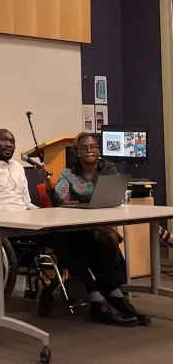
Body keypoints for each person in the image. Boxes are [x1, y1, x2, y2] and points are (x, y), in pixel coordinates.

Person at [41, 132, 149, 326]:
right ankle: (101, 298)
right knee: (73, 244)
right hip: (75, 225)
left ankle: (112, 296)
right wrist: (49, 183)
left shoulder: (108, 168)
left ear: (98, 150)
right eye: (84, 147)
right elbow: (57, 200)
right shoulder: (68, 172)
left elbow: (114, 195)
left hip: (100, 222)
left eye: (93, 147)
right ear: (77, 152)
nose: (89, 150)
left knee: (101, 242)